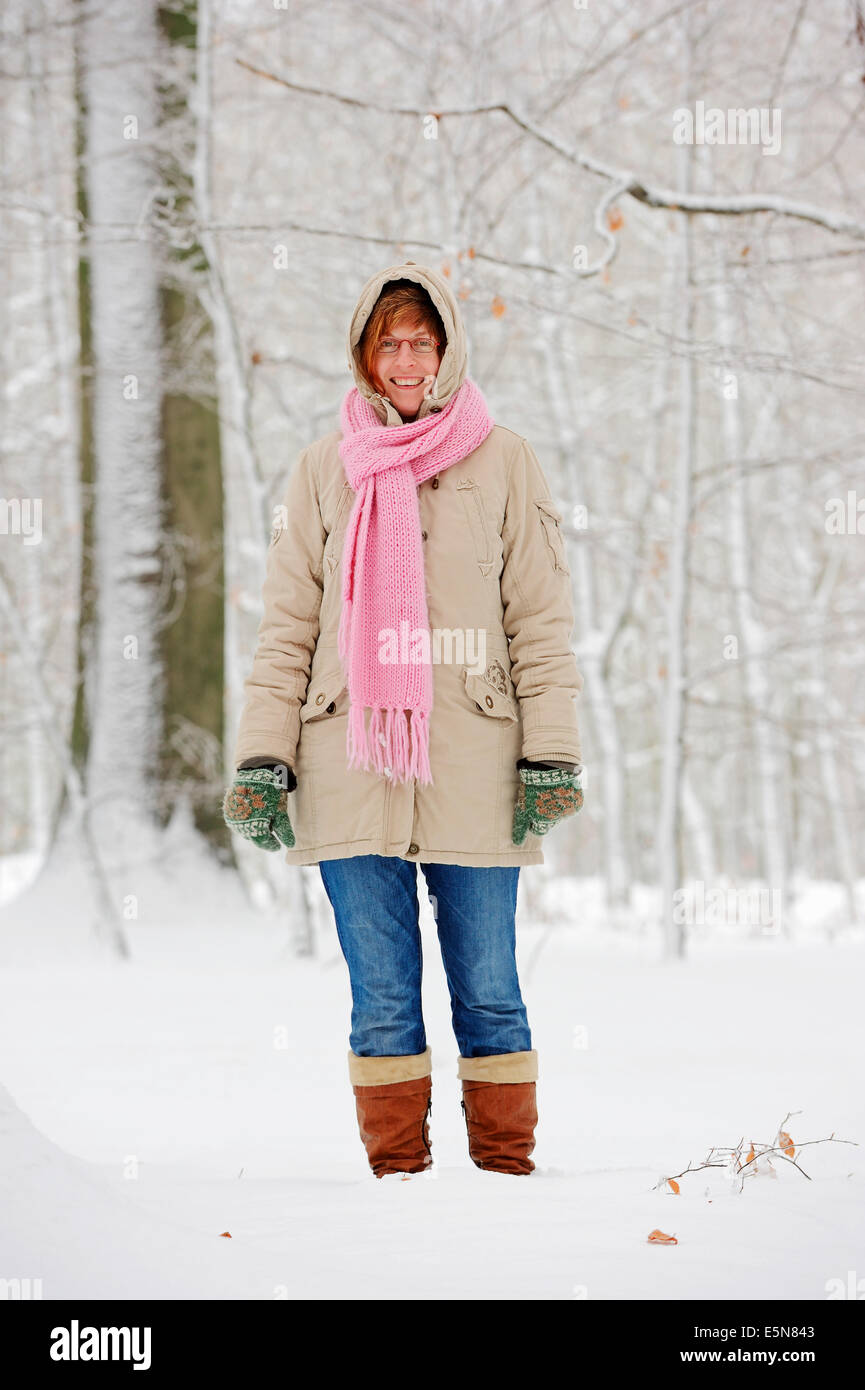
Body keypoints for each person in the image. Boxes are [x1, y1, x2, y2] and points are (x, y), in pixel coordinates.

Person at [223, 261, 584, 1179]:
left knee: (491, 991)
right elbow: (288, 628)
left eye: (421, 339)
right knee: (382, 997)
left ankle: (506, 1183)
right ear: (364, 354)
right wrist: (261, 756)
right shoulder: (321, 470)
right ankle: (400, 1193)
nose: (406, 357)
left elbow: (539, 620)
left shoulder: (503, 458)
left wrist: (550, 754)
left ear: (448, 347)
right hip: (348, 760)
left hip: (473, 761)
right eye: (388, 340)